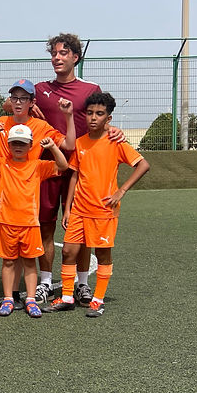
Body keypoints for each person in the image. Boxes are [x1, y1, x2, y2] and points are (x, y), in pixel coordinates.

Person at [32, 33, 123, 305]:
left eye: (63, 53)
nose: (57, 58)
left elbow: (101, 116)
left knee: (81, 229)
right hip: (48, 167)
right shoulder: (40, 89)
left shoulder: (89, 89)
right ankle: (45, 282)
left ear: (75, 57)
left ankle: (82, 284)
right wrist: (31, 105)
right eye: (54, 54)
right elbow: (11, 103)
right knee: (45, 226)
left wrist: (114, 129)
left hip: (80, 170)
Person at [0, 78, 74, 309]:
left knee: (19, 248)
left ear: (32, 102)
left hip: (24, 197)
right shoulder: (0, 122)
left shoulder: (41, 126)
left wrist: (68, 117)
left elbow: (68, 146)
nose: (18, 102)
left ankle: (16, 294)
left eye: (23, 98)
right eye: (14, 98)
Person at [47, 93, 150, 317]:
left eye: (99, 114)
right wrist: (68, 207)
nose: (93, 118)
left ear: (108, 118)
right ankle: (67, 297)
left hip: (103, 211)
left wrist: (121, 191)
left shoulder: (116, 142)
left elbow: (143, 165)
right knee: (68, 251)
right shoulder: (80, 142)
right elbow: (75, 175)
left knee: (103, 254)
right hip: (79, 210)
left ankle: (98, 300)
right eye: (90, 113)